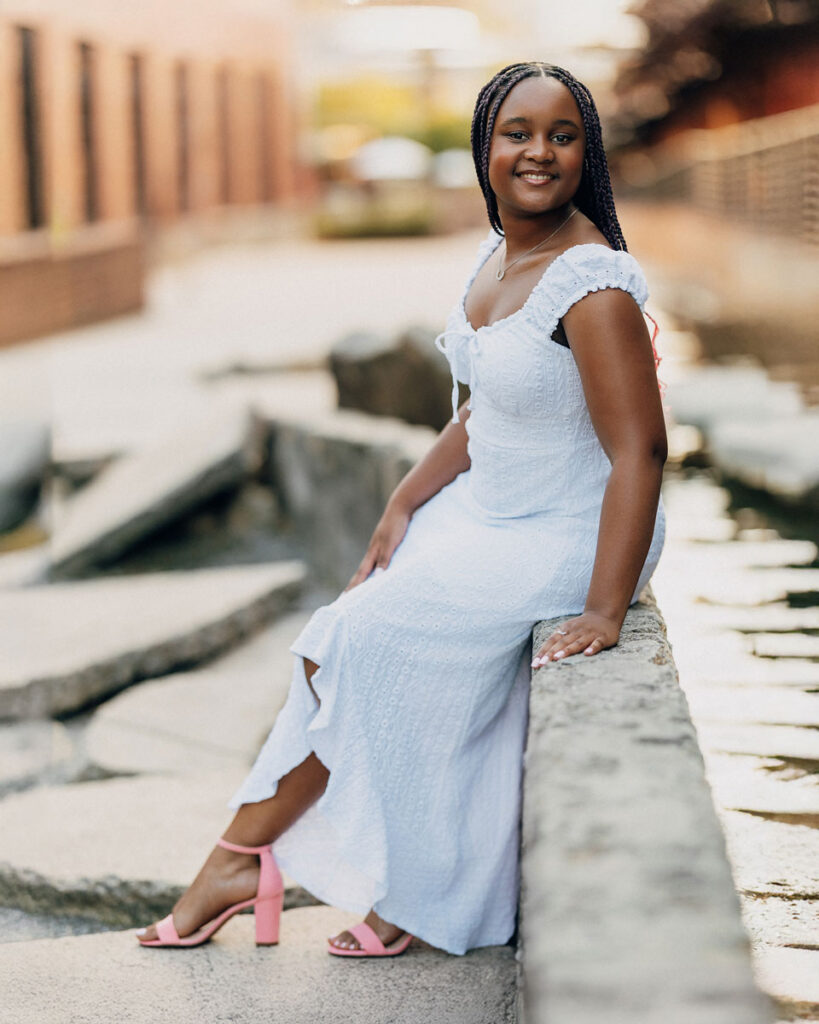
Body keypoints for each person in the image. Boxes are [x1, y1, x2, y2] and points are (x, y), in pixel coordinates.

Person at [136, 61, 667, 958]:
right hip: (491, 508)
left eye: (563, 134)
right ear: (483, 147)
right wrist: (404, 499)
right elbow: (485, 410)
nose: (538, 152)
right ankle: (310, 870)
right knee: (342, 645)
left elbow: (639, 453)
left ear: (589, 152)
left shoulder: (594, 284)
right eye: (517, 132)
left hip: (572, 529)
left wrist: (605, 610)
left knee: (352, 644)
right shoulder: (497, 256)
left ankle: (248, 861)